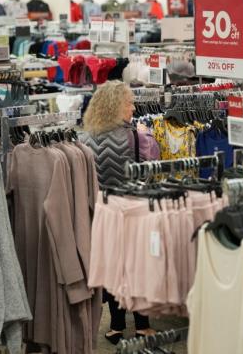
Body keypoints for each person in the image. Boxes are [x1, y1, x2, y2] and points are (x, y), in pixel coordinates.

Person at [81, 81, 160, 344]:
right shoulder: (139, 137)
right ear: (117, 106)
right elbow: (152, 173)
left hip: (104, 214)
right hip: (135, 211)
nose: (134, 107)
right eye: (129, 103)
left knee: (112, 268)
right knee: (137, 267)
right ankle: (142, 325)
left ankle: (115, 326)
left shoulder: (84, 140)